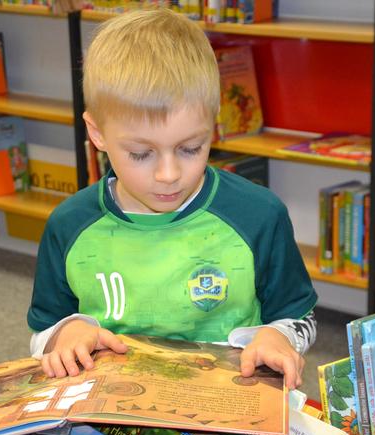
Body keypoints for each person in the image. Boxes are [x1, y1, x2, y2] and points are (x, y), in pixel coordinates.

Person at [26, 9, 318, 389]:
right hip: (114, 408)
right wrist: (65, 334)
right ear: (97, 133)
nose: (169, 174)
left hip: (227, 402)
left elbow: (302, 317)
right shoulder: (69, 224)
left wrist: (278, 337)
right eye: (141, 154)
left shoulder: (258, 215)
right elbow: (42, 334)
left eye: (190, 148)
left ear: (213, 125)